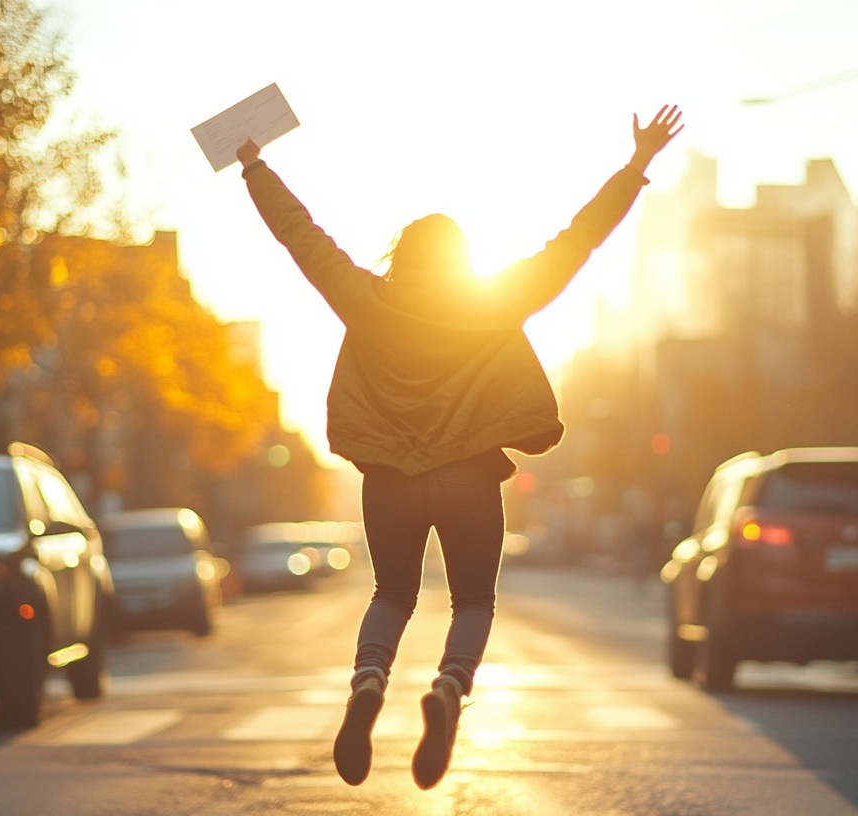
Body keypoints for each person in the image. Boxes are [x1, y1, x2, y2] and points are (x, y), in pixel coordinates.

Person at [234, 106, 684, 790]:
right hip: (470, 478)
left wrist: (255, 166)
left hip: (389, 479)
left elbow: (303, 237)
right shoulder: (494, 300)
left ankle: (367, 685)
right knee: (473, 603)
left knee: (391, 593)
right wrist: (636, 165)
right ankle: (448, 690)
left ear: (401, 256)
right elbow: (577, 241)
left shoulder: (366, 299)